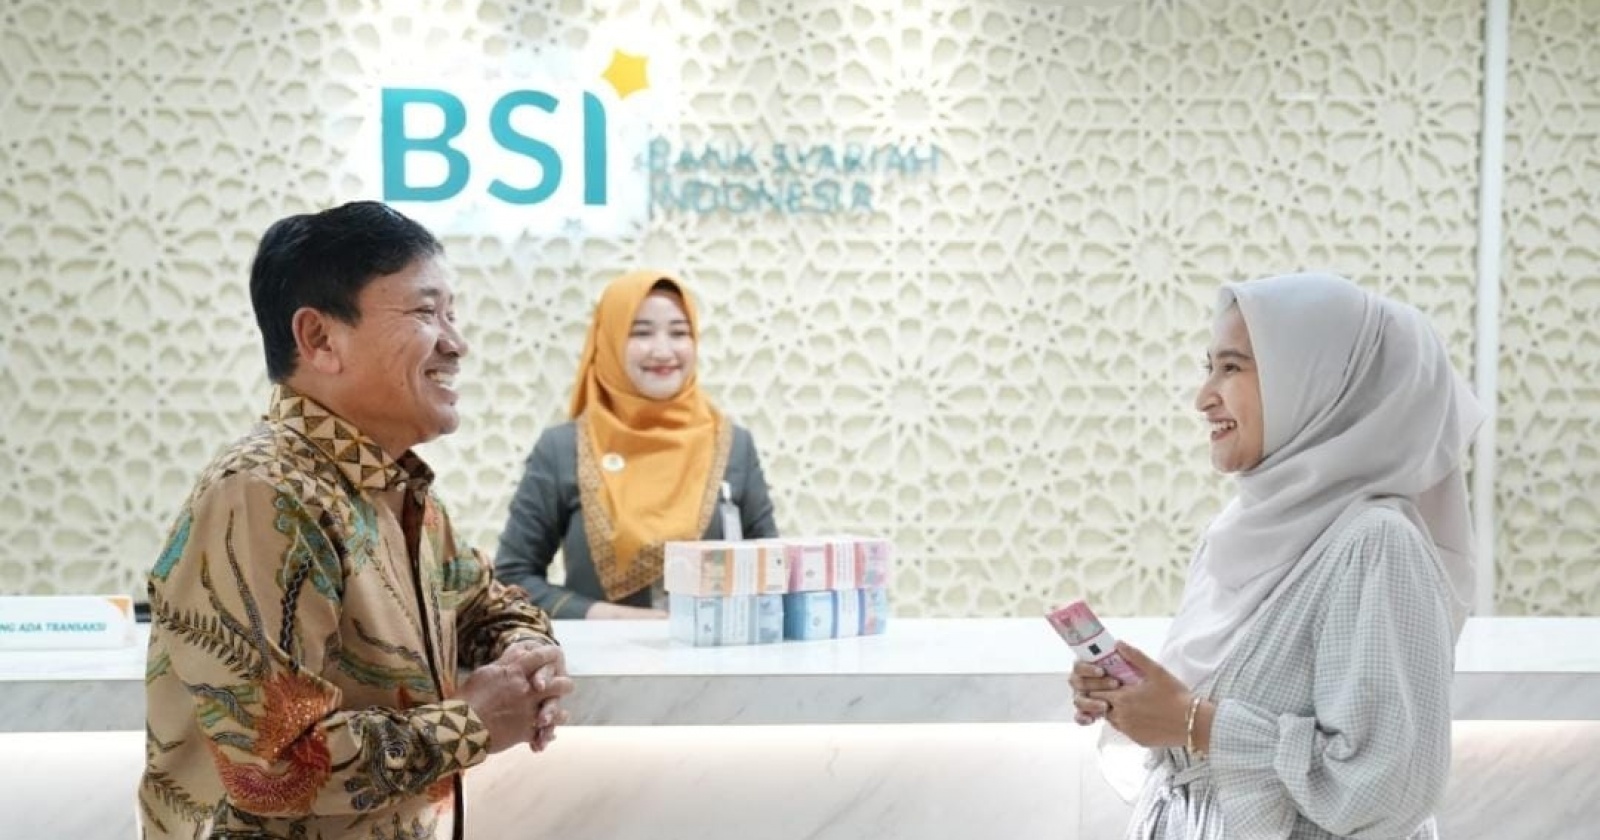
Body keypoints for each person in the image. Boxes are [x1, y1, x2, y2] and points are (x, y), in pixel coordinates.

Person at [139, 201, 572, 840]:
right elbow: (274, 762)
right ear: (319, 339)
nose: (456, 343)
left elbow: (487, 604)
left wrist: (524, 653)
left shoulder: (394, 487)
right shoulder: (261, 492)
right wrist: (475, 722)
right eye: (425, 312)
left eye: (452, 315)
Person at [1070, 272, 1484, 839]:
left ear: (1318, 384)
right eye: (1209, 366)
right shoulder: (1235, 532)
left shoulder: (1376, 546)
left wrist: (1193, 723)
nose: (1203, 397)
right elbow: (1204, 720)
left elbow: (1387, 788)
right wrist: (1140, 700)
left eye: (1232, 367)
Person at [495, 270, 779, 619]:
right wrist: (607, 616)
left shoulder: (733, 445)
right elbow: (512, 577)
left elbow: (773, 572)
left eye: (679, 332)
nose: (662, 350)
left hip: (716, 649)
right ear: (609, 341)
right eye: (641, 332)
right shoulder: (563, 449)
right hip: (602, 652)